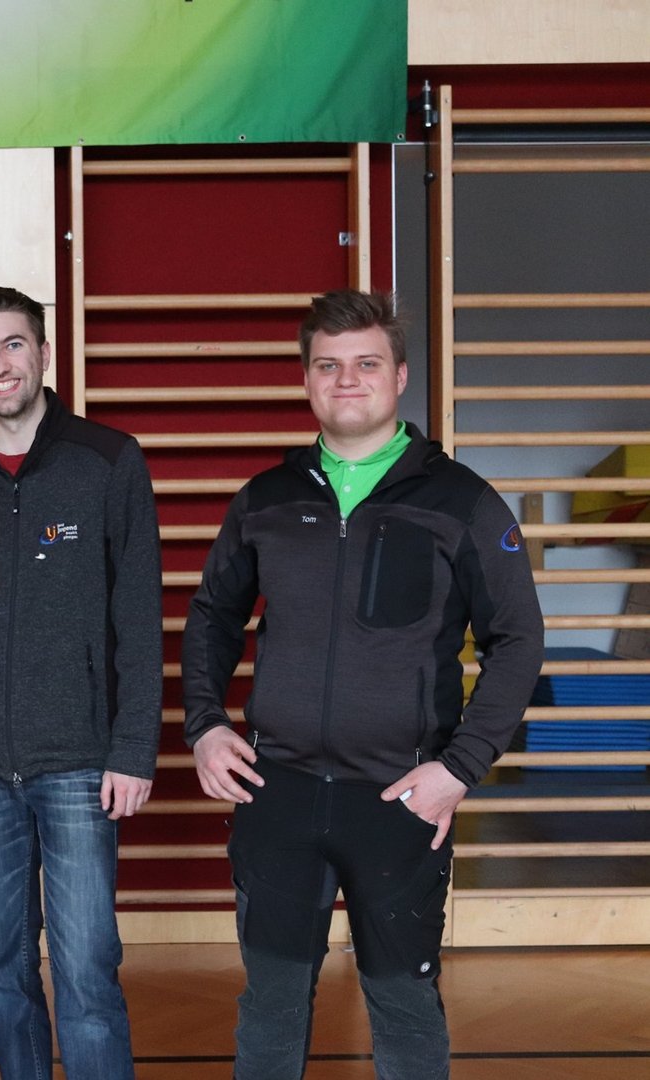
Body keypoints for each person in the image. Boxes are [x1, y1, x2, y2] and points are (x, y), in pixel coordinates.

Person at [182, 289, 544, 1079]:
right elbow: (212, 616)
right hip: (276, 795)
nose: (347, 380)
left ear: (400, 376)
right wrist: (205, 725)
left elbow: (519, 639)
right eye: (329, 365)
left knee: (405, 1008)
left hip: (400, 799)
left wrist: (459, 768)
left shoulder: (464, 502)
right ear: (307, 380)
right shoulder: (266, 500)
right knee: (270, 1008)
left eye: (366, 363)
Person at [0, 286, 163, 1080]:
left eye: (13, 344)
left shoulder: (108, 461)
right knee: (4, 969)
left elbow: (140, 621)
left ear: (45, 353)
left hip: (80, 762)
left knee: (86, 969)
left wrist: (134, 750)